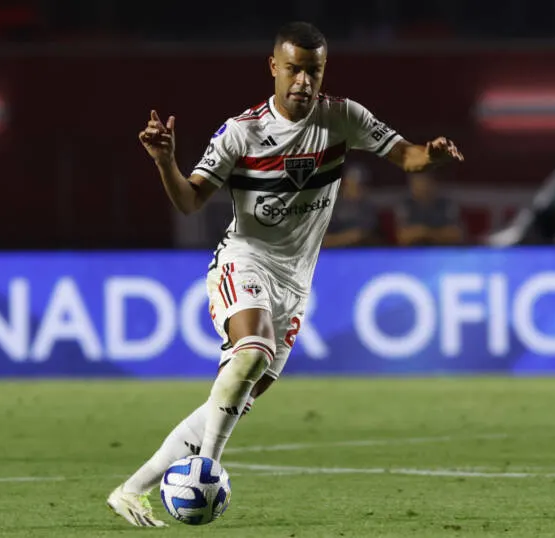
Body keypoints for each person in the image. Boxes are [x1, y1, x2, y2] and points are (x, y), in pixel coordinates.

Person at [107, 21, 463, 527]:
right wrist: (165, 161)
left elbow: (406, 155)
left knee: (234, 397)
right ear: (273, 67)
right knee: (253, 352)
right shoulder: (241, 133)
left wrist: (432, 153)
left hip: (295, 286)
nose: (302, 81)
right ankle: (207, 466)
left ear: (323, 72)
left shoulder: (342, 118)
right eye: (293, 69)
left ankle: (131, 490)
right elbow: (189, 201)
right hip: (243, 260)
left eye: (312, 71)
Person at [394, 171, 464, 246]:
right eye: (417, 184)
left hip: (443, 251)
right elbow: (403, 237)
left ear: (434, 184)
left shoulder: (447, 204)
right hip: (414, 252)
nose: (423, 188)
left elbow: (456, 235)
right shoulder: (405, 205)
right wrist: (439, 233)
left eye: (425, 183)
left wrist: (424, 232)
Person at [322, 162, 379, 247]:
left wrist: (347, 238)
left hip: (359, 250)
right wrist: (341, 238)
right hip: (333, 251)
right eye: (351, 184)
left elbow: (364, 235)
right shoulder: (333, 204)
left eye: (359, 184)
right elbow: (322, 238)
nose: (355, 188)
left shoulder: (367, 205)